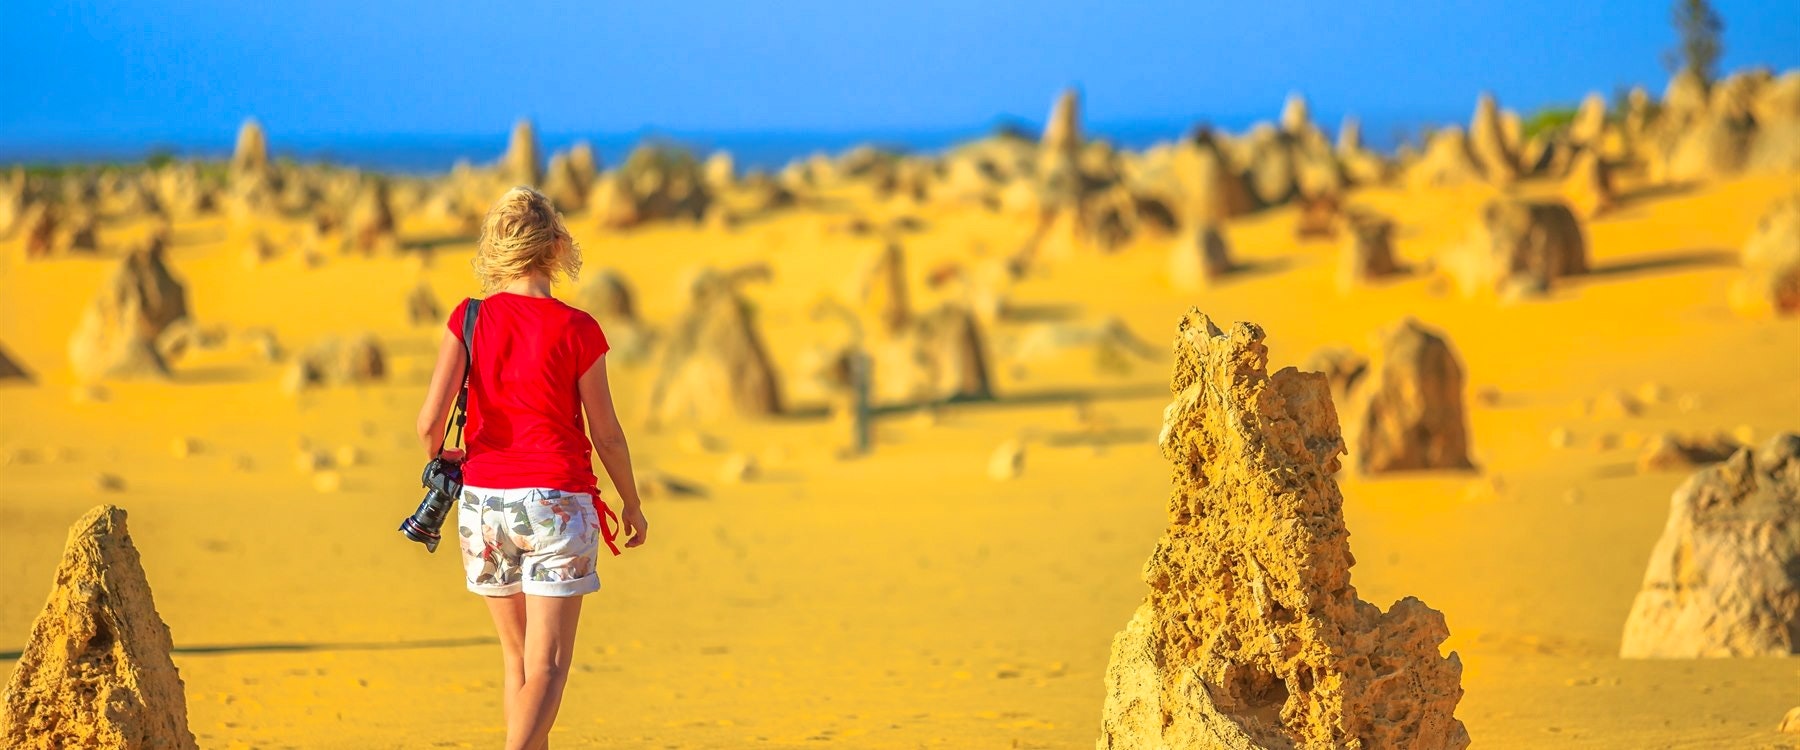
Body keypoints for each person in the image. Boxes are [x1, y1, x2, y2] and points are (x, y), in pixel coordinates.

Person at [415, 186, 648, 750]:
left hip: (484, 506)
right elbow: (607, 435)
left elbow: (428, 424)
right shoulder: (579, 329)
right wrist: (632, 503)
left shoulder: (468, 318)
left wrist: (442, 461)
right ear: (556, 248)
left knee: (518, 663)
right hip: (557, 504)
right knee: (549, 667)